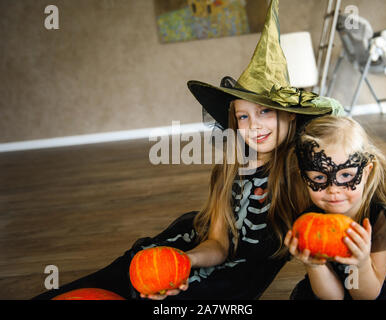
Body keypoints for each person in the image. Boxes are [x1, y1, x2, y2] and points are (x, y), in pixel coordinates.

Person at [32, 0, 343, 300]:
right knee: (122, 276)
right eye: (243, 116)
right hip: (198, 246)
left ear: (289, 115)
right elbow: (218, 243)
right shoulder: (230, 169)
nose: (254, 126)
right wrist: (186, 260)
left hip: (236, 282)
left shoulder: (304, 175)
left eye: (265, 112)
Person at [284, 115, 386, 300]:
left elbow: (365, 296)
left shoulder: (383, 220)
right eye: (319, 178)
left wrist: (360, 264)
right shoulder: (309, 222)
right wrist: (313, 265)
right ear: (304, 178)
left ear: (365, 172)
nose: (333, 189)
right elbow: (333, 297)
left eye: (346, 175)